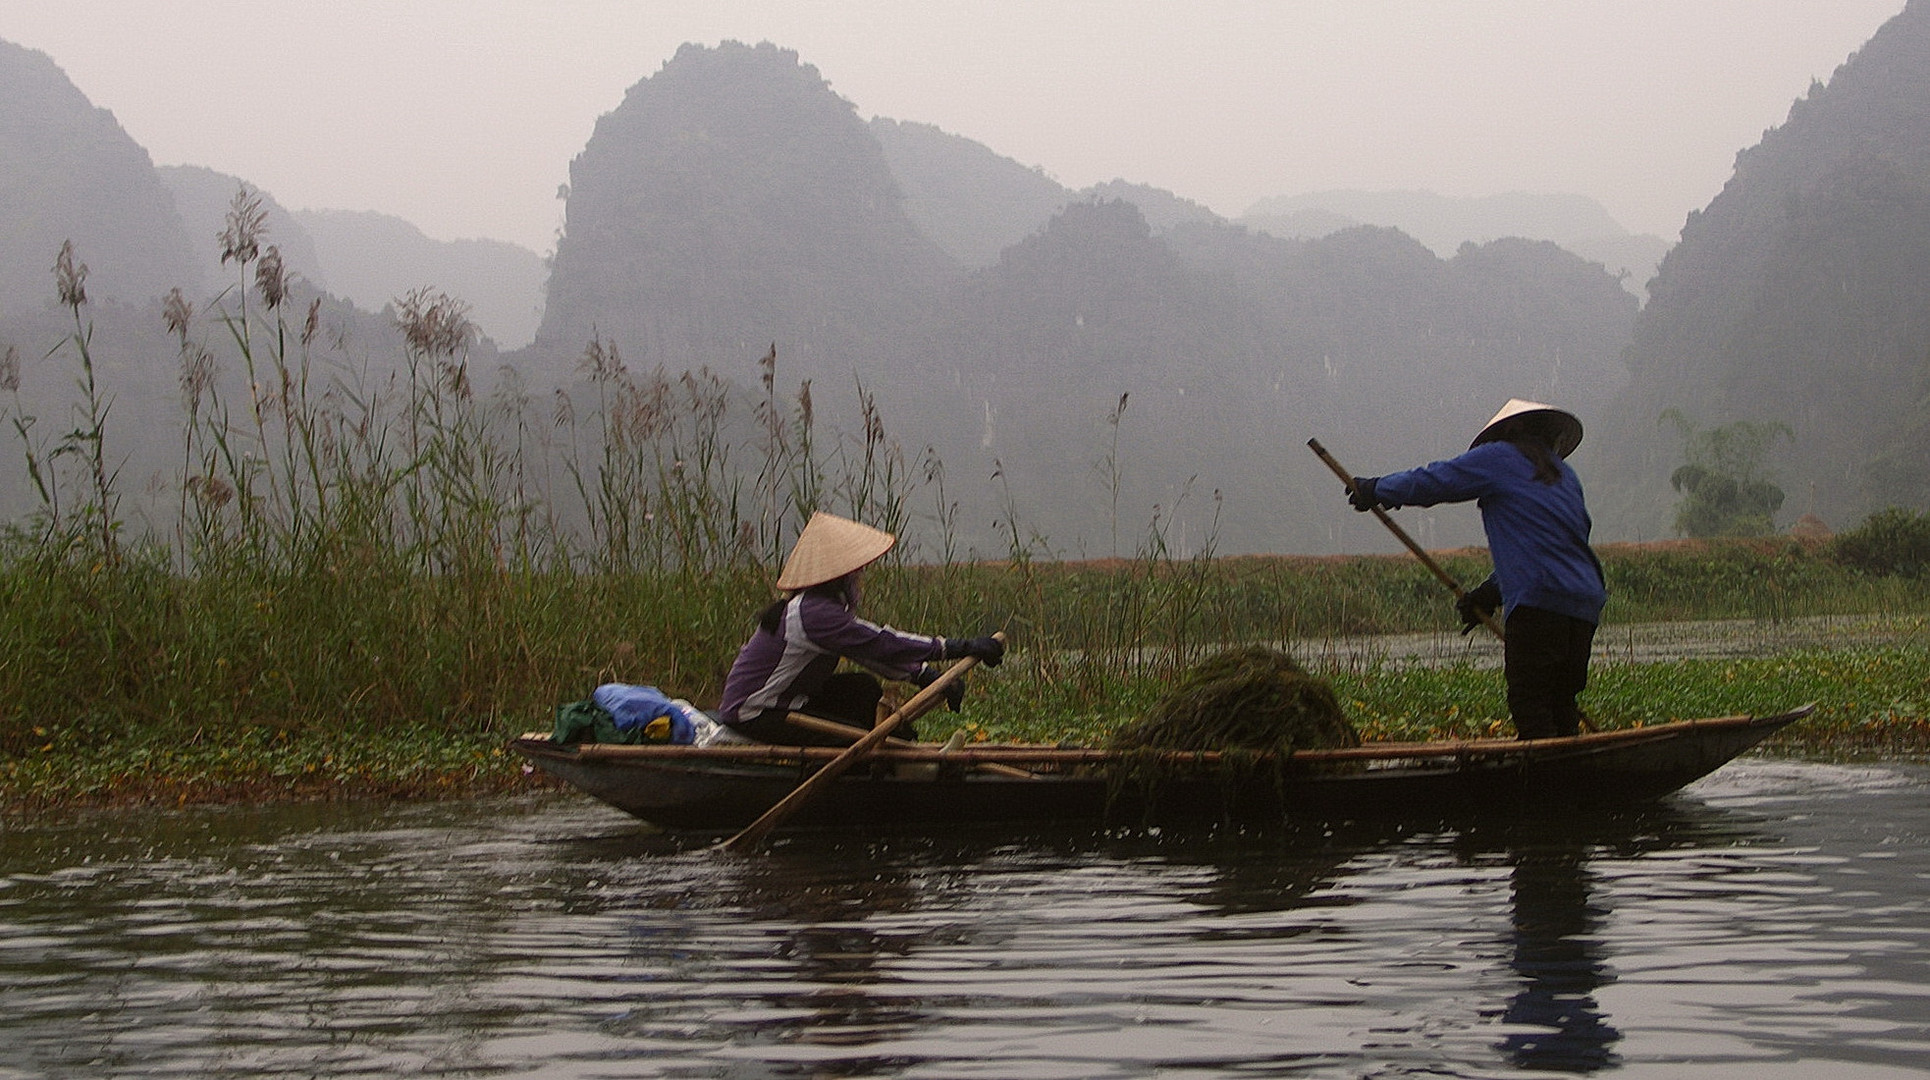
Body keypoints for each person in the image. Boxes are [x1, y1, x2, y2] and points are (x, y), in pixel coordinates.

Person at [1345, 399, 1606, 739]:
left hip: (1538, 602)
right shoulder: (1565, 476)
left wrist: (1376, 489)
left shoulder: (1500, 457)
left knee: (1530, 700)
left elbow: (1436, 480)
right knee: (1560, 701)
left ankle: (1548, 783)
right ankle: (1574, 772)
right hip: (1583, 604)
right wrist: (1489, 594)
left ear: (1509, 432)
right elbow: (1552, 550)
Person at [718, 511, 1005, 745]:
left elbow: (866, 653)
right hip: (756, 712)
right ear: (839, 577)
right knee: (856, 740)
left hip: (786, 703)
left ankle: (887, 750)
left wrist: (925, 676)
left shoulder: (814, 608)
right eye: (856, 573)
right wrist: (958, 647)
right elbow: (881, 642)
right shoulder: (814, 613)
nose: (860, 578)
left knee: (861, 688)